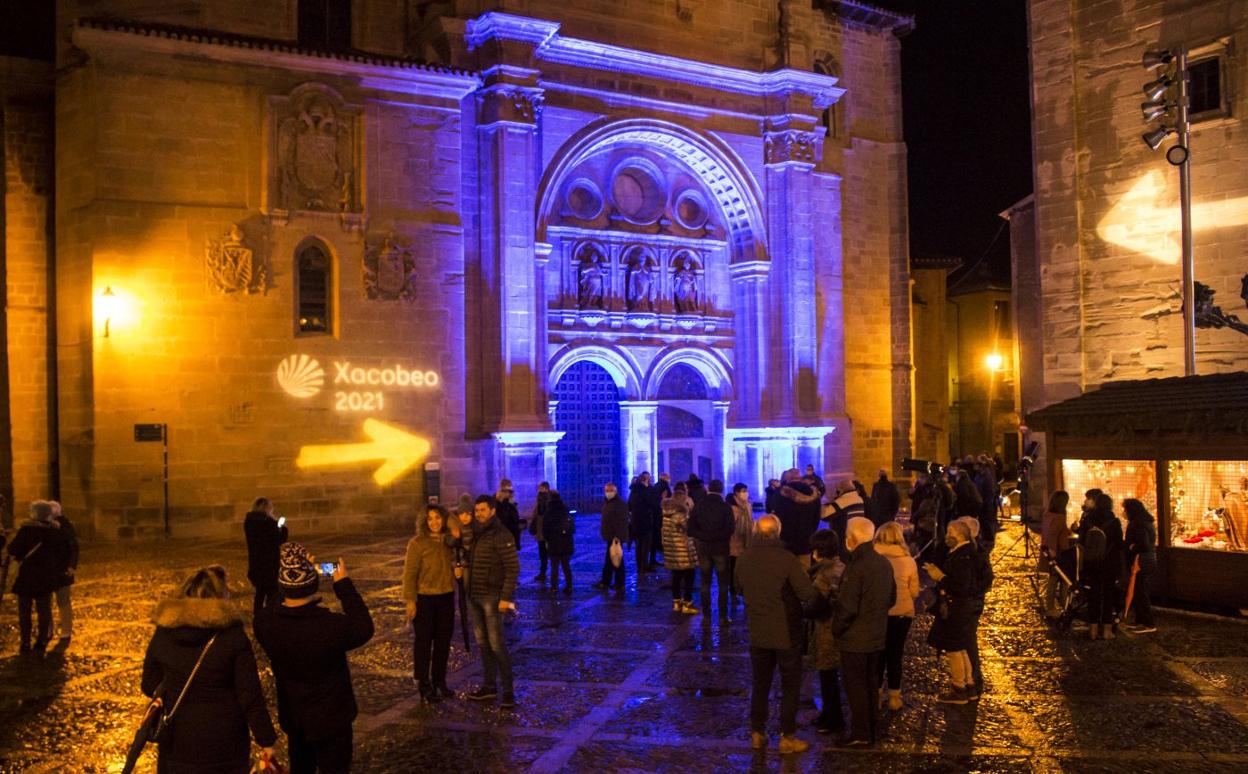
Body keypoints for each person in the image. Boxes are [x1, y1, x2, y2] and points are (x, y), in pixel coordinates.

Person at [142, 565, 277, 772]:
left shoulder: (164, 632)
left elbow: (148, 684)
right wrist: (266, 740)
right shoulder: (232, 636)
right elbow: (249, 695)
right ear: (220, 597)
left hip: (178, 739)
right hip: (225, 742)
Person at [254, 544, 373, 773]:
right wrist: (343, 584)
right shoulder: (331, 626)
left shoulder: (265, 624)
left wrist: (292, 572)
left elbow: (272, 606)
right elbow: (363, 627)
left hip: (295, 716)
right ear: (314, 584)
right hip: (333, 719)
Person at [736, 515, 819, 754]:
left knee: (760, 683)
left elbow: (738, 587)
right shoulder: (786, 559)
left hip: (758, 629)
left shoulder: (744, 558)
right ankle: (787, 736)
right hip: (786, 631)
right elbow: (806, 593)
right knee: (790, 685)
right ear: (778, 532)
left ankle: (757, 732)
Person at [831, 516, 895, 747]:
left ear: (852, 538)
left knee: (856, 686)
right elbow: (892, 597)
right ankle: (871, 726)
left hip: (856, 638)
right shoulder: (883, 563)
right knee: (870, 683)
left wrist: (836, 629)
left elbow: (848, 606)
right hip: (877, 634)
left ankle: (860, 733)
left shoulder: (856, 567)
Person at [462, 495, 520, 707]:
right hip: (475, 596)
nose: (479, 514)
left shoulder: (500, 534)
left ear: (492, 511)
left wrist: (505, 598)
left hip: (493, 597)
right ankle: (489, 687)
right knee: (483, 644)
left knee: (497, 645)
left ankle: (508, 691)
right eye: (477, 511)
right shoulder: (478, 534)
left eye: (483, 510)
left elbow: (512, 568)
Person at [403, 504, 457, 703]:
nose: (434, 522)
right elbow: (409, 575)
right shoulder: (417, 544)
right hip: (425, 598)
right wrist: (410, 601)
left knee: (443, 642)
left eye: (437, 518)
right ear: (424, 522)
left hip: (446, 597)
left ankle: (439, 680)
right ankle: (423, 682)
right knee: (424, 643)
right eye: (430, 519)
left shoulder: (448, 542)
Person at [923, 519, 979, 705]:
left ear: (961, 536)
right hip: (961, 608)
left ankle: (959, 689)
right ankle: (969, 686)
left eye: (950, 532)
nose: (947, 536)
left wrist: (939, 577)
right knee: (961, 647)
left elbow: (960, 585)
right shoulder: (963, 553)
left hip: (957, 608)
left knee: (954, 649)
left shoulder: (963, 557)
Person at [7, 501, 67, 656]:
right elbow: (62, 553)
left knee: (24, 611)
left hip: (27, 576)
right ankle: (41, 640)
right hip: (45, 577)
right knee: (44, 610)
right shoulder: (54, 532)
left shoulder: (26, 530)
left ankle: (25, 642)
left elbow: (13, 549)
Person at [874, 521, 920, 711]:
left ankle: (875, 694)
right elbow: (914, 591)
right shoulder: (908, 561)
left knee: (878, 655)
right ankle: (894, 697)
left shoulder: (873, 560)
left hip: (878, 614)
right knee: (895, 654)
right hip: (902, 614)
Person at [807, 529, 846, 735]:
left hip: (826, 630)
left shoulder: (823, 574)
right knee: (828, 675)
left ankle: (833, 719)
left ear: (817, 552)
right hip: (837, 628)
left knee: (827, 675)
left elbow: (814, 605)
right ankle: (828, 715)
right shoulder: (841, 567)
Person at [955, 516, 992, 700]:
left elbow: (981, 581)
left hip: (969, 604)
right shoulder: (978, 551)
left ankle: (972, 683)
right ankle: (969, 681)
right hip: (972, 602)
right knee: (966, 641)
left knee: (967, 642)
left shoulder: (972, 554)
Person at [688, 479, 736, 622]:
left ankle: (707, 615)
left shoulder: (699, 506)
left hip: (703, 548)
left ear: (708, 488)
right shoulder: (725, 507)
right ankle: (722, 616)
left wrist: (704, 536)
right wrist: (717, 536)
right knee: (723, 583)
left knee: (705, 582)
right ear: (721, 490)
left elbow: (691, 529)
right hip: (720, 547)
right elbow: (730, 529)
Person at [1078, 492, 1124, 639]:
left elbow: (1082, 540)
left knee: (1093, 594)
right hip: (1109, 564)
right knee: (1108, 595)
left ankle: (1092, 630)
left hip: (1092, 563)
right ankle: (1106, 630)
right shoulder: (1114, 522)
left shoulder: (1088, 520)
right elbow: (1119, 544)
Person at [243, 496, 288, 619]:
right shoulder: (269, 523)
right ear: (267, 508)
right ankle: (269, 616)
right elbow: (279, 540)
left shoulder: (249, 522)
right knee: (272, 592)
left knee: (260, 592)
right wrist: (282, 528)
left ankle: (257, 615)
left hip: (256, 563)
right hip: (270, 564)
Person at [1122, 498, 1158, 634]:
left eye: (1125, 509)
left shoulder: (1137, 523)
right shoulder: (1145, 522)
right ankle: (1140, 620)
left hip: (1140, 561)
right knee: (1138, 591)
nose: (1123, 512)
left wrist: (1132, 547)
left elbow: (1143, 543)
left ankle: (1148, 623)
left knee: (1140, 592)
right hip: (1147, 560)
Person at [774, 469, 821, 566]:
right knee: (804, 571)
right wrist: (811, 532)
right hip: (806, 539)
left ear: (787, 478)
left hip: (786, 539)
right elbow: (817, 517)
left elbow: (776, 515)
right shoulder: (813, 493)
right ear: (800, 478)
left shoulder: (780, 493)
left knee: (785, 569)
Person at [661, 496, 698, 613]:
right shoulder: (680, 515)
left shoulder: (666, 514)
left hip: (672, 550)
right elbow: (690, 529)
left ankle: (676, 602)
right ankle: (687, 603)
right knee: (689, 576)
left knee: (676, 576)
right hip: (684, 550)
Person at [49, 500, 79, 646]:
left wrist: (71, 566)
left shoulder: (61, 527)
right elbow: (74, 547)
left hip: (56, 570)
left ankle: (51, 630)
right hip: (62, 569)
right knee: (63, 602)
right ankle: (65, 631)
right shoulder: (67, 526)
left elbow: (73, 548)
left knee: (52, 602)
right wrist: (71, 566)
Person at [1039, 491, 1072, 619]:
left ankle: (1051, 607)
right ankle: (1061, 607)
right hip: (1059, 553)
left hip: (1049, 552)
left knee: (1052, 581)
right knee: (1063, 580)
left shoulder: (1048, 515)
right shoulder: (1059, 517)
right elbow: (1054, 535)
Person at [595, 482, 629, 590]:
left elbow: (622, 522)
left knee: (617, 560)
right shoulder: (608, 503)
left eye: (611, 490)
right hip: (610, 536)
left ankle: (618, 583)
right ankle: (607, 581)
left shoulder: (619, 504)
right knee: (610, 560)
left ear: (615, 491)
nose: (608, 493)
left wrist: (618, 536)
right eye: (607, 491)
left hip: (615, 537)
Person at [543, 490, 575, 593]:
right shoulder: (566, 510)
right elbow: (572, 528)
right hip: (566, 543)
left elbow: (545, 530)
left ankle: (554, 587)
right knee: (566, 566)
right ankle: (569, 586)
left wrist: (547, 540)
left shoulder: (548, 512)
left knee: (554, 566)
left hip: (554, 543)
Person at [729, 483, 753, 609]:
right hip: (734, 542)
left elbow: (750, 521)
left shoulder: (748, 505)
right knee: (733, 569)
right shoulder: (732, 507)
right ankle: (733, 591)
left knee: (744, 569)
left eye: (746, 490)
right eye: (743, 491)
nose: (745, 493)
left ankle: (743, 591)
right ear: (736, 493)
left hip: (746, 542)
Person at [628, 473, 654, 574]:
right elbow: (650, 504)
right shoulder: (645, 491)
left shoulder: (633, 491)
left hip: (636, 521)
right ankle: (644, 565)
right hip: (645, 521)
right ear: (645, 480)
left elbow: (629, 505)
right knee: (645, 545)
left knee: (639, 545)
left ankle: (640, 566)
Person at [528, 482, 551, 583]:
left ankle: (552, 573)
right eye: (539, 488)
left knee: (552, 554)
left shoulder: (550, 500)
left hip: (548, 531)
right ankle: (543, 572)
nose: (540, 490)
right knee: (542, 554)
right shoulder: (539, 501)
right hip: (540, 531)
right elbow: (535, 515)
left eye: (541, 488)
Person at [495, 479, 523, 549]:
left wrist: (512, 504)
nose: (508, 493)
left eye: (510, 490)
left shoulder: (511, 501)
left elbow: (515, 517)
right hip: (503, 535)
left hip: (512, 534)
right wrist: (503, 501)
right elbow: (502, 518)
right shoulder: (497, 501)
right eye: (506, 490)